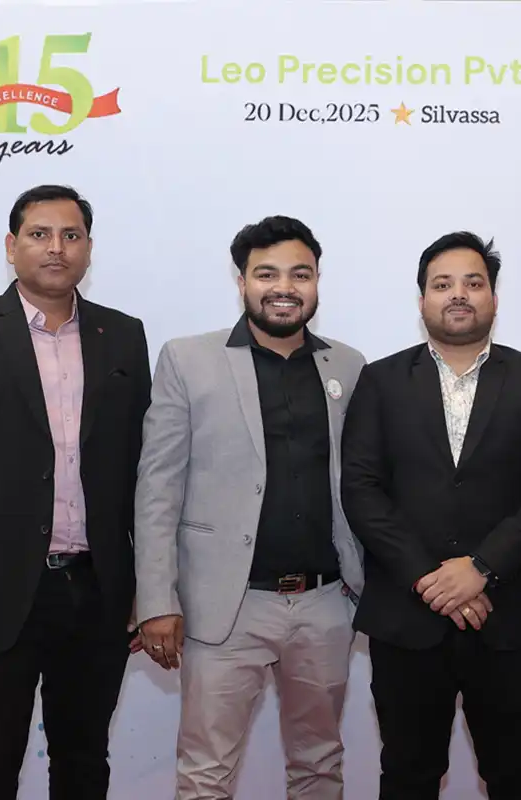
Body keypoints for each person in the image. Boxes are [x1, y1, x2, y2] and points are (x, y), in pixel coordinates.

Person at [0, 184, 151, 799]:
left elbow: (143, 471)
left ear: (88, 248)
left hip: (97, 589)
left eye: (71, 235)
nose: (56, 247)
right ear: (12, 247)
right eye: (40, 234)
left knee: (84, 762)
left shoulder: (123, 335)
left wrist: (148, 587)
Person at [340, 231, 521, 800]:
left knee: (516, 775)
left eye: (473, 283)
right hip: (407, 620)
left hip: (509, 619)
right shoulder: (380, 381)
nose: (458, 295)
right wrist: (430, 577)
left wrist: (481, 567)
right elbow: (362, 489)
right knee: (408, 776)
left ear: (494, 298)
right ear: (422, 299)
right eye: (442, 284)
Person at [134, 215, 366, 800]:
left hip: (324, 601)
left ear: (317, 282)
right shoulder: (187, 359)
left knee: (320, 762)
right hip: (225, 607)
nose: (284, 287)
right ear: (241, 281)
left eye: (300, 274)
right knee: (206, 773)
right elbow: (157, 487)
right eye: (267, 274)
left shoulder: (348, 365)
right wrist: (157, 600)